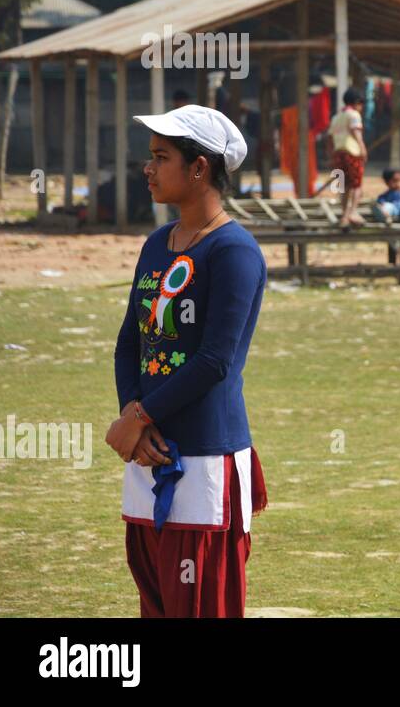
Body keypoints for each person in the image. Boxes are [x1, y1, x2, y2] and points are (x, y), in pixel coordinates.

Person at [107, 104, 268, 617]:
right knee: (155, 600)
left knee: (202, 602)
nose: (147, 169)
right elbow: (130, 342)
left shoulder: (234, 251)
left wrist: (137, 418)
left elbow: (215, 360)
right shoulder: (157, 244)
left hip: (204, 455)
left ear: (199, 168)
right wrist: (136, 418)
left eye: (160, 157)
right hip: (147, 451)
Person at [327, 88, 368, 228]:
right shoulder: (354, 115)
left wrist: (332, 155)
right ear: (357, 102)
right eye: (361, 104)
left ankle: (344, 215)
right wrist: (363, 149)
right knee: (357, 185)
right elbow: (356, 134)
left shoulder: (336, 117)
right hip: (352, 153)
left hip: (338, 153)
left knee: (343, 186)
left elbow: (331, 138)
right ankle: (352, 212)